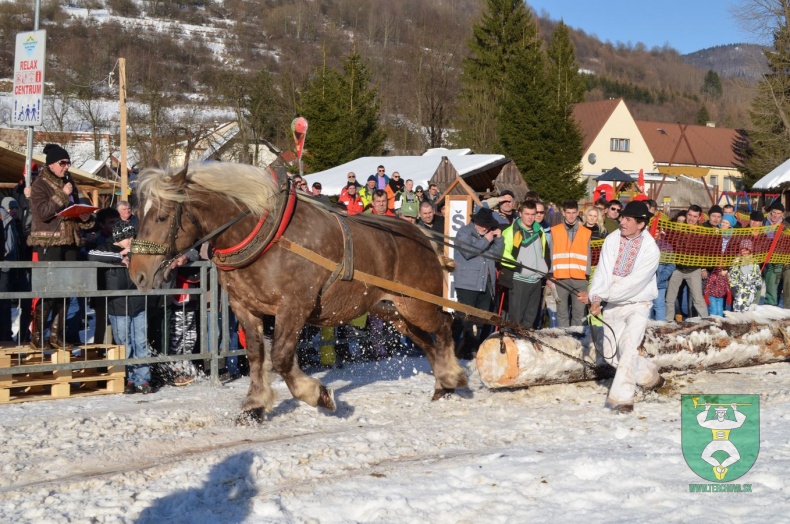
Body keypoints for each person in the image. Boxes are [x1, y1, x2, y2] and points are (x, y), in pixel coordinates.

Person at [579, 201, 663, 414]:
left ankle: (622, 400)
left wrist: (599, 296)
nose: (622, 222)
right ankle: (649, 375)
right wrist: (596, 299)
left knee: (628, 350)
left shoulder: (650, 249)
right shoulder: (612, 239)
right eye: (622, 217)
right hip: (613, 304)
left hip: (638, 304)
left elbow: (634, 284)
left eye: (627, 219)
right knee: (610, 355)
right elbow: (603, 272)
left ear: (641, 224)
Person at [28, 144, 94, 350]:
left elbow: (76, 209)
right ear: (51, 164)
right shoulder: (40, 184)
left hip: (71, 242)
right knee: (50, 290)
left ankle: (57, 335)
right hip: (50, 242)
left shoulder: (69, 182)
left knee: (67, 290)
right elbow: (43, 212)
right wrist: (63, 195)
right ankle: (38, 336)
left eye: (68, 163)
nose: (66, 167)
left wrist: (86, 213)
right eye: (62, 163)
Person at [88, 217, 153, 394]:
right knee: (125, 344)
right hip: (118, 306)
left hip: (138, 302)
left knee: (141, 342)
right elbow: (91, 254)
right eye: (129, 237)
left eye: (133, 237)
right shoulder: (106, 249)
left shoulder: (137, 249)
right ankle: (128, 379)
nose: (132, 240)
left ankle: (143, 379)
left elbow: (156, 251)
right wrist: (119, 256)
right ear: (119, 237)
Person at [453, 207, 503, 358]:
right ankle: (450, 350)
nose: (484, 227)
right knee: (463, 318)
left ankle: (470, 350)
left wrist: (499, 239)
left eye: (487, 225)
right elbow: (468, 252)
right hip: (468, 284)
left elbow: (497, 256)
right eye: (481, 223)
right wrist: (487, 239)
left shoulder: (489, 236)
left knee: (480, 321)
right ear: (474, 221)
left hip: (486, 283)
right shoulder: (464, 232)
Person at [501, 201, 551, 329]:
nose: (530, 217)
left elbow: (545, 251)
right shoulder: (512, 231)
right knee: (516, 321)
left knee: (530, 320)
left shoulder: (539, 230)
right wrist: (519, 267)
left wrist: (546, 269)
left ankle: (526, 345)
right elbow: (503, 255)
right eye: (527, 214)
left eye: (533, 214)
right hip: (519, 280)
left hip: (536, 280)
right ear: (520, 214)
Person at [550, 199, 590, 327]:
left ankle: (576, 342)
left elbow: (588, 256)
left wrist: (586, 276)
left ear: (578, 212)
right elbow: (551, 253)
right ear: (563, 213)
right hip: (560, 277)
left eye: (574, 212)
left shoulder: (585, 232)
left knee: (578, 314)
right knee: (562, 314)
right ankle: (564, 343)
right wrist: (551, 275)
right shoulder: (555, 231)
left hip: (580, 279)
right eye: (568, 212)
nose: (571, 215)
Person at [664, 205, 708, 321]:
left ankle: (706, 320)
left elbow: (706, 251)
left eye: (694, 216)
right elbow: (668, 242)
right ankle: (668, 321)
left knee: (698, 298)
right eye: (689, 215)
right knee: (670, 298)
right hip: (677, 269)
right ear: (686, 214)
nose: (691, 218)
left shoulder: (702, 232)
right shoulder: (677, 229)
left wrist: (703, 267)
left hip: (694, 270)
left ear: (699, 217)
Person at [762, 202, 786, 306]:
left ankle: (770, 307)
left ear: (782, 214)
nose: (775, 215)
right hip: (762, 258)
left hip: (777, 260)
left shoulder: (785, 226)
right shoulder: (763, 223)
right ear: (770, 212)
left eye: (778, 213)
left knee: (772, 286)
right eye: (773, 213)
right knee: (759, 286)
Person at [728, 238, 762, 312]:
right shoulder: (737, 261)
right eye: (742, 249)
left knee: (749, 308)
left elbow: (757, 274)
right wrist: (733, 286)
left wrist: (758, 283)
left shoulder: (754, 261)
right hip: (740, 289)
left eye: (746, 250)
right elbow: (732, 275)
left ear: (750, 250)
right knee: (738, 307)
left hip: (751, 289)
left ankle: (748, 321)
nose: (744, 252)